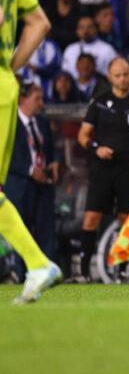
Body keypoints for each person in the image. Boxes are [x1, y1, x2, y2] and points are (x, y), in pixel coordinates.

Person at [0, 0, 63, 305]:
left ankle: (38, 264)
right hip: (6, 86)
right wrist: (10, 66)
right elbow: (40, 22)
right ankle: (37, 264)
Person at [76, 57, 129, 282]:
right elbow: (83, 136)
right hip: (102, 169)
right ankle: (83, 273)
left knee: (126, 220)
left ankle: (122, 271)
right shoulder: (99, 102)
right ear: (110, 77)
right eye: (118, 75)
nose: (123, 78)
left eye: (126, 74)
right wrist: (96, 148)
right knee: (91, 218)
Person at [7, 84, 58, 279]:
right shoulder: (9, 123)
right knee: (22, 230)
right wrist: (29, 170)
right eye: (37, 98)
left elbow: (50, 148)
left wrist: (54, 163)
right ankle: (20, 275)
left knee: (46, 229)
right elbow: (6, 155)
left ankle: (49, 272)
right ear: (23, 99)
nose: (41, 103)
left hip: (43, 184)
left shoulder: (43, 123)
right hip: (20, 185)